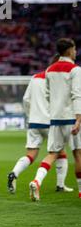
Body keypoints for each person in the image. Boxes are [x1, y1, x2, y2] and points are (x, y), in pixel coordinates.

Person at [7, 55, 72, 194]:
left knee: (31, 154)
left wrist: (30, 115)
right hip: (51, 122)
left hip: (34, 122)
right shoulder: (58, 80)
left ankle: (14, 173)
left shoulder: (35, 77)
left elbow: (26, 99)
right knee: (59, 152)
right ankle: (57, 185)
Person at [29, 38, 81, 201]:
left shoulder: (50, 70)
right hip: (71, 118)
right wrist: (78, 119)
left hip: (55, 119)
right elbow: (77, 95)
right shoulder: (75, 70)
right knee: (78, 154)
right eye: (74, 49)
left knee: (52, 154)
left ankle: (37, 181)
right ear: (68, 51)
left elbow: (48, 94)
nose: (75, 52)